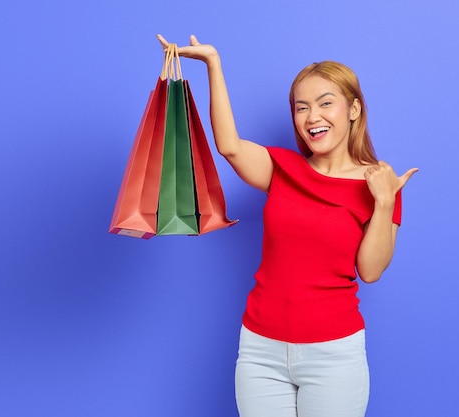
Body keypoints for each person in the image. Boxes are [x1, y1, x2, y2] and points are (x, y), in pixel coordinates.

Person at [157, 34, 418, 417]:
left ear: (354, 109)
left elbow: (371, 271)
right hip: (261, 349)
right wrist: (213, 63)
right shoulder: (283, 169)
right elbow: (229, 147)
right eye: (301, 107)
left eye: (326, 103)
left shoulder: (382, 185)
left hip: (333, 354)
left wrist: (382, 204)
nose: (313, 117)